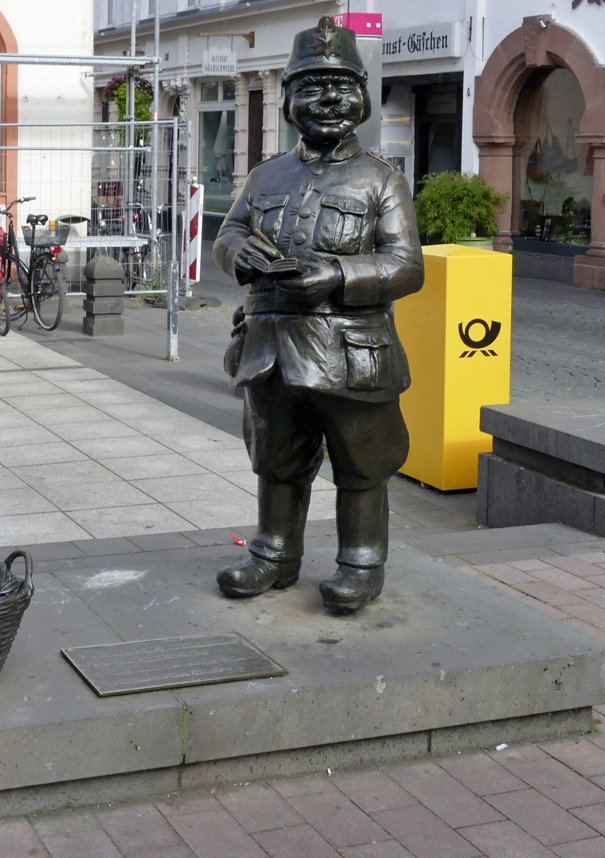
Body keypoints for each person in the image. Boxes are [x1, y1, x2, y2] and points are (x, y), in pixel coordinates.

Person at [212, 16, 424, 613]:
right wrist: (237, 252)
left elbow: (407, 266)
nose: (327, 99)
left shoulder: (381, 180)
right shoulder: (265, 175)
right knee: (276, 457)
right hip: (270, 346)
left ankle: (361, 563)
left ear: (362, 96)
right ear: (286, 100)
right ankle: (273, 554)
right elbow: (228, 233)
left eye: (341, 86)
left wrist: (336, 275)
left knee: (363, 464)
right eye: (310, 86)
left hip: (351, 351)